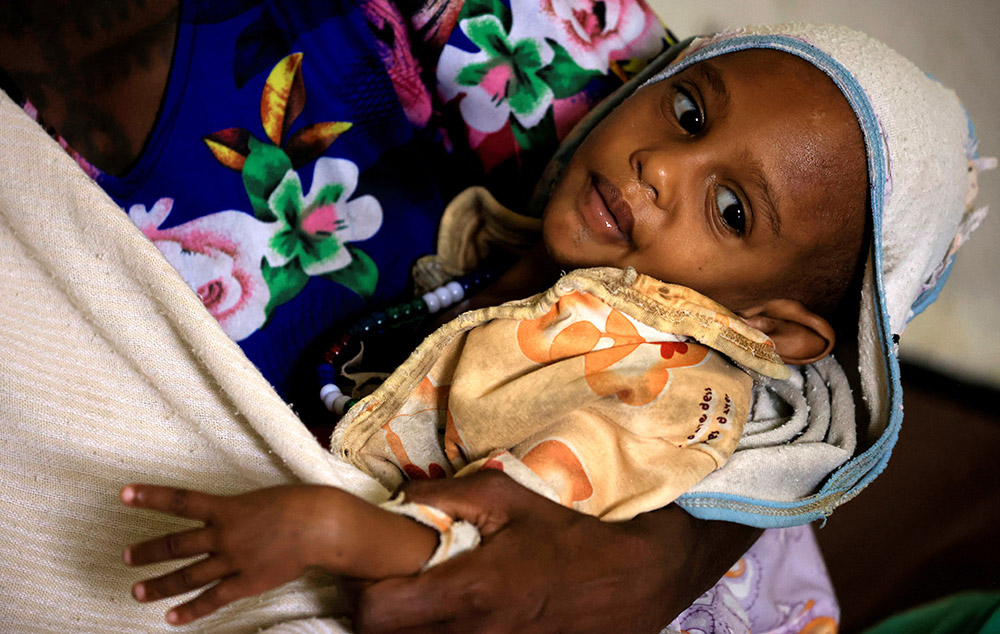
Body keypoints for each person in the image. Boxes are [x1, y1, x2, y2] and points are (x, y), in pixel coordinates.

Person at [116, 23, 989, 633]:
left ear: (770, 326)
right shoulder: (517, 264)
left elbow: (495, 548)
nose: (660, 165)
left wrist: (327, 532)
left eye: (729, 209)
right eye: (688, 114)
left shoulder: (653, 392)